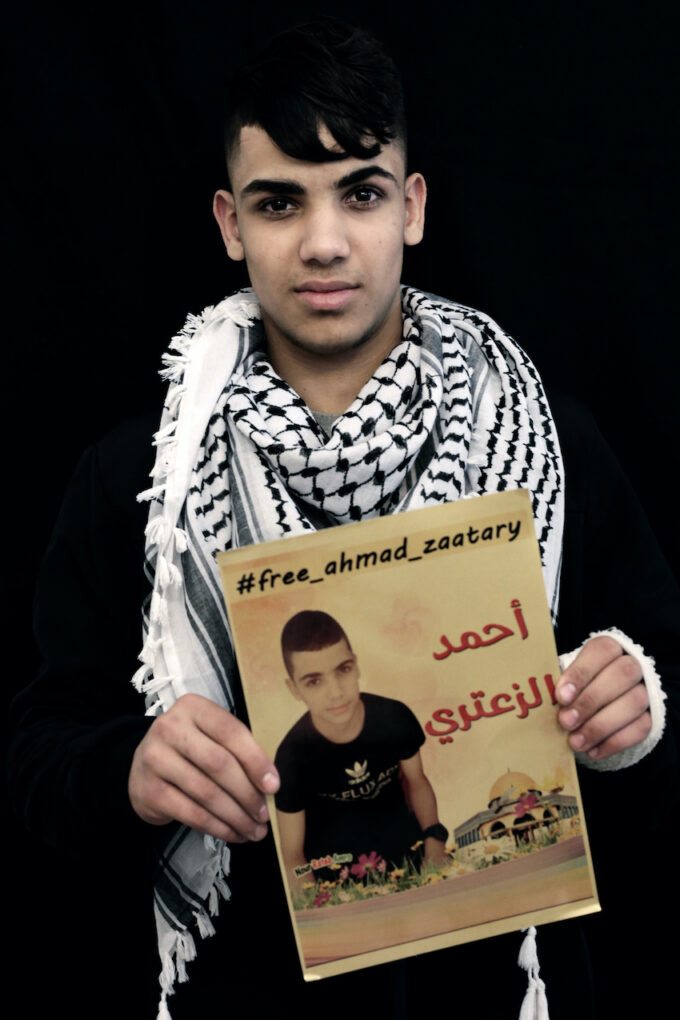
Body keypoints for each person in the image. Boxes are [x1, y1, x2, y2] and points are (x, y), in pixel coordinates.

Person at [8, 17, 678, 1020]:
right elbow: (39, 755)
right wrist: (130, 770)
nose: (322, 243)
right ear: (231, 224)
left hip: (493, 995)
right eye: (280, 202)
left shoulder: (544, 443)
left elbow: (663, 689)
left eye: (359, 193)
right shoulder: (140, 478)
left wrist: (637, 709)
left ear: (411, 207)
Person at [275, 610, 447, 884]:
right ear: (294, 689)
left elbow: (417, 781)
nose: (336, 692)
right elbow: (293, 857)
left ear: (355, 666)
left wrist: (434, 841)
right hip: (335, 872)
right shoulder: (290, 758)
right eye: (314, 681)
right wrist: (313, 899)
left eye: (343, 669)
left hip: (406, 854)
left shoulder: (395, 717)